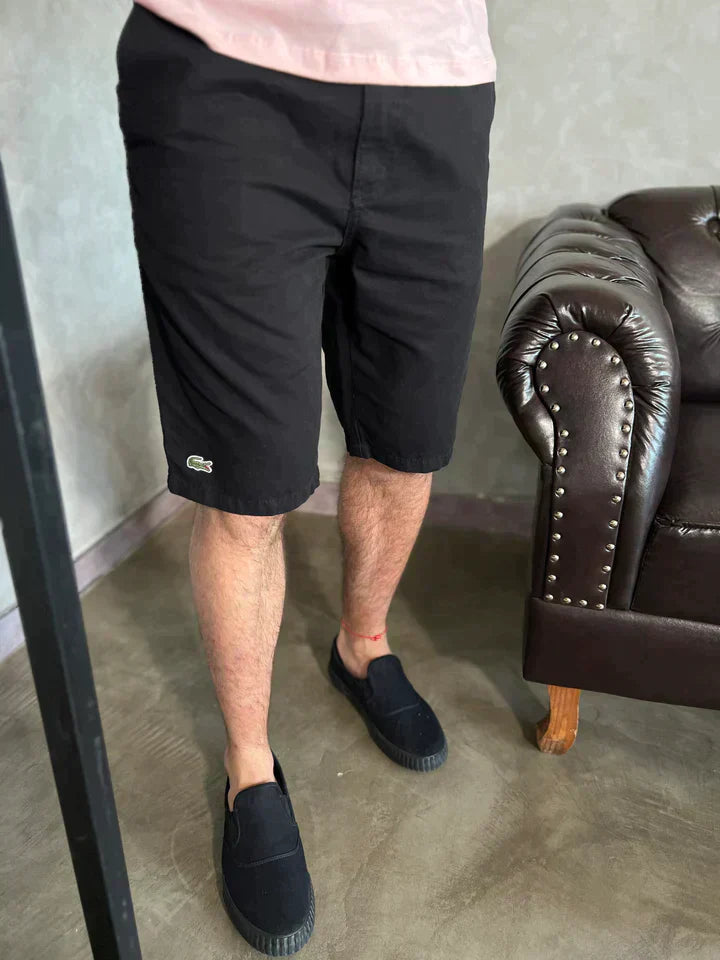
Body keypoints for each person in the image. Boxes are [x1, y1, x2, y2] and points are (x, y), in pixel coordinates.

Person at [115, 1, 496, 953]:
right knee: (247, 485)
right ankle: (250, 770)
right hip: (225, 78)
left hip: (436, 86)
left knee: (406, 440)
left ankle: (362, 646)